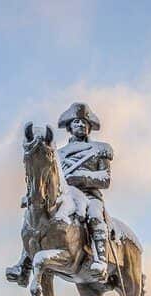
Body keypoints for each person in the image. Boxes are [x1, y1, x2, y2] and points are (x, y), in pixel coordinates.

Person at [56, 102, 114, 284]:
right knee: (40, 216)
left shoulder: (100, 150)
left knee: (95, 216)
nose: (80, 125)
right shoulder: (59, 154)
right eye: (76, 122)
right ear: (69, 127)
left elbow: (105, 179)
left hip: (90, 197)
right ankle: (24, 265)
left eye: (84, 123)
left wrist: (79, 178)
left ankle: (100, 261)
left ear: (89, 127)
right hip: (68, 196)